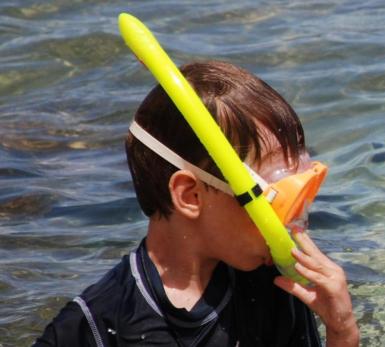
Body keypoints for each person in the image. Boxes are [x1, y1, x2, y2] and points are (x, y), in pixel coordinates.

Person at [33, 61, 359, 347]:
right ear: (190, 196)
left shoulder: (275, 285)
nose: (295, 219)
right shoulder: (98, 325)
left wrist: (342, 332)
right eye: (277, 198)